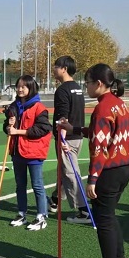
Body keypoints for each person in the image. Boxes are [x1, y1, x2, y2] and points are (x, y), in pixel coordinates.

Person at [60, 63, 129, 258]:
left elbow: (100, 147)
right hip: (125, 167)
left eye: (88, 83)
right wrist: (73, 128)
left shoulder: (103, 107)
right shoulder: (118, 103)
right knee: (109, 215)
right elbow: (98, 133)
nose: (87, 87)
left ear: (99, 83)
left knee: (103, 220)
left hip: (109, 171)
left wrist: (92, 179)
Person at [3, 75, 52, 231]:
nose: (20, 89)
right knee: (20, 185)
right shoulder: (13, 106)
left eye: (23, 86)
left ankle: (41, 216)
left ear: (31, 88)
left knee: (37, 185)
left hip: (34, 152)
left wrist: (18, 131)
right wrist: (8, 127)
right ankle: (21, 213)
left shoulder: (39, 107)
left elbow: (42, 129)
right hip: (17, 151)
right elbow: (6, 127)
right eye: (18, 86)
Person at [50, 56, 89, 223]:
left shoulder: (62, 90)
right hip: (77, 136)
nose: (54, 69)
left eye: (56, 66)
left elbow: (63, 118)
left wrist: (62, 140)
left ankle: (84, 210)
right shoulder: (77, 88)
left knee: (70, 172)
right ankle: (55, 200)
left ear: (64, 69)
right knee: (64, 170)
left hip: (68, 137)